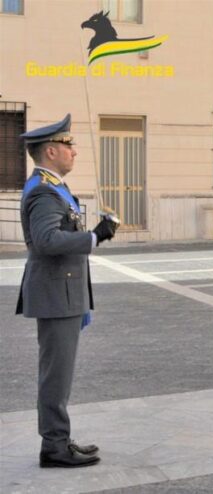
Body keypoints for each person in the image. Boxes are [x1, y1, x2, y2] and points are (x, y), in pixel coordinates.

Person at [16, 114, 118, 468]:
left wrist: (93, 231)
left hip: (64, 292)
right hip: (56, 295)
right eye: (68, 145)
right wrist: (94, 236)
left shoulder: (53, 186)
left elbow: (59, 233)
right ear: (50, 151)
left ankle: (59, 437)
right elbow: (46, 240)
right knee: (55, 374)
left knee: (60, 373)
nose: (74, 151)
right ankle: (54, 446)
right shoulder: (44, 190)